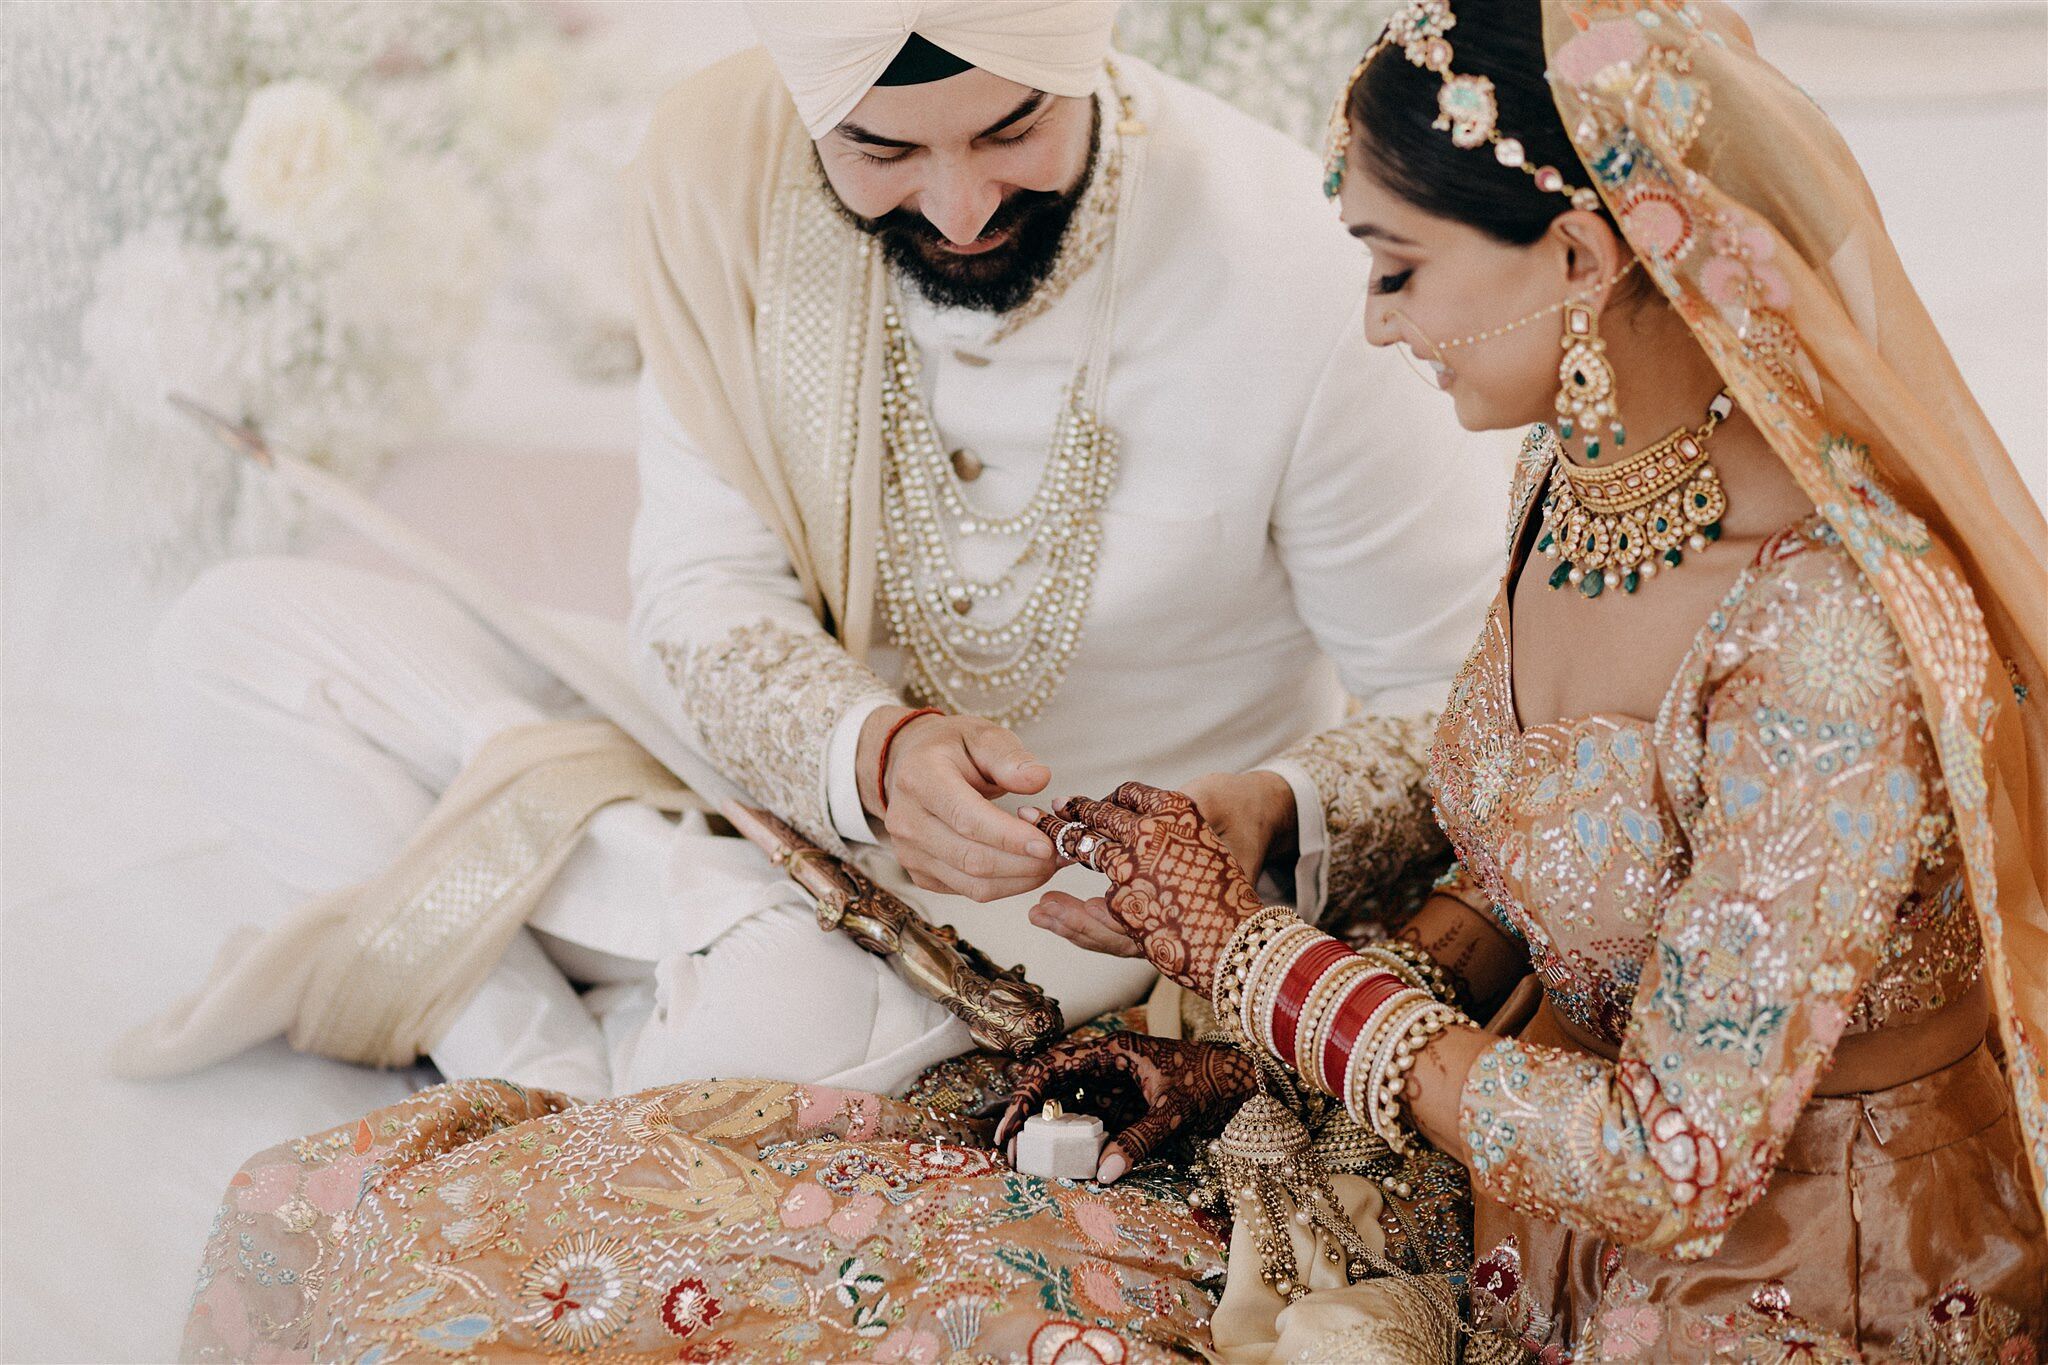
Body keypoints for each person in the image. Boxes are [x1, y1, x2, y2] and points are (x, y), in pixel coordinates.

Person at [130, 0, 1502, 1102]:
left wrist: (1257, 811)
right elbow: (701, 592)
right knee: (233, 634)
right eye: (883, 153)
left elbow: (1456, 703)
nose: (961, 209)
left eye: (1013, 127)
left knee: (765, 1027)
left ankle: (555, 931)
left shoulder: (1295, 261)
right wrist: (875, 757)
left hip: (1044, 921)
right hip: (744, 773)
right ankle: (551, 1037)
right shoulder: (723, 192)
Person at [1027, 0, 2048, 1357]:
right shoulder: (1576, 472)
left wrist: (1250, 956)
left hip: (1808, 1265)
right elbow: (1533, 858)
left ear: (1575, 254)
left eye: (1395, 270)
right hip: (1541, 1182)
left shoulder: (1818, 628)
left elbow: (1670, 1159)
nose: (1378, 328)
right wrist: (1242, 1045)